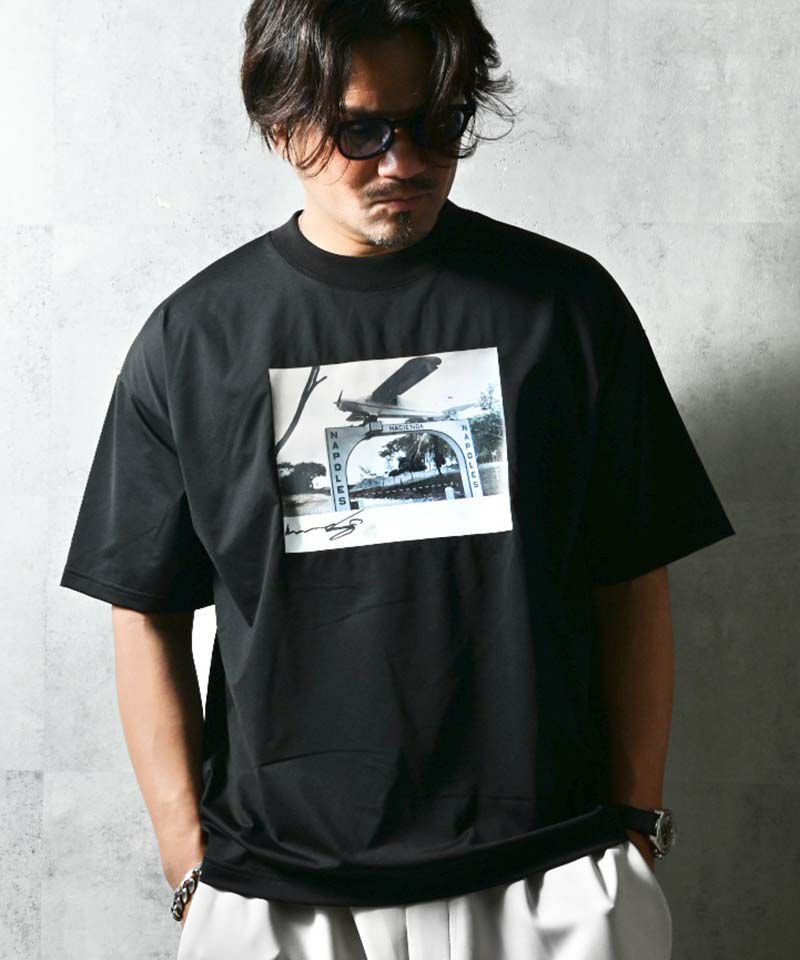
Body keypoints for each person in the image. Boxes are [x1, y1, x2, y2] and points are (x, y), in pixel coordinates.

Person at [60, 2, 735, 958]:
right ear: (282, 123)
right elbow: (144, 610)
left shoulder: (566, 307)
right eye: (362, 130)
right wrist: (187, 866)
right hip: (279, 892)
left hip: (553, 876)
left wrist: (634, 826)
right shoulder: (193, 340)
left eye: (437, 124)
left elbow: (632, 576)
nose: (405, 161)